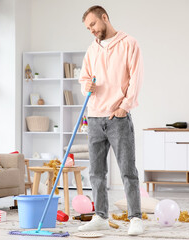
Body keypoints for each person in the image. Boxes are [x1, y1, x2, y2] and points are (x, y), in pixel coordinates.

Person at [78, 5, 144, 235]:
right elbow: (84, 77)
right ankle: (100, 216)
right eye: (88, 28)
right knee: (96, 173)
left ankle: (135, 217)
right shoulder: (91, 50)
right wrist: (86, 84)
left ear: (104, 18)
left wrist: (124, 107)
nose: (92, 31)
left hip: (117, 117)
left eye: (94, 25)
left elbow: (136, 79)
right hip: (94, 118)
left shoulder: (129, 44)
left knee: (127, 170)